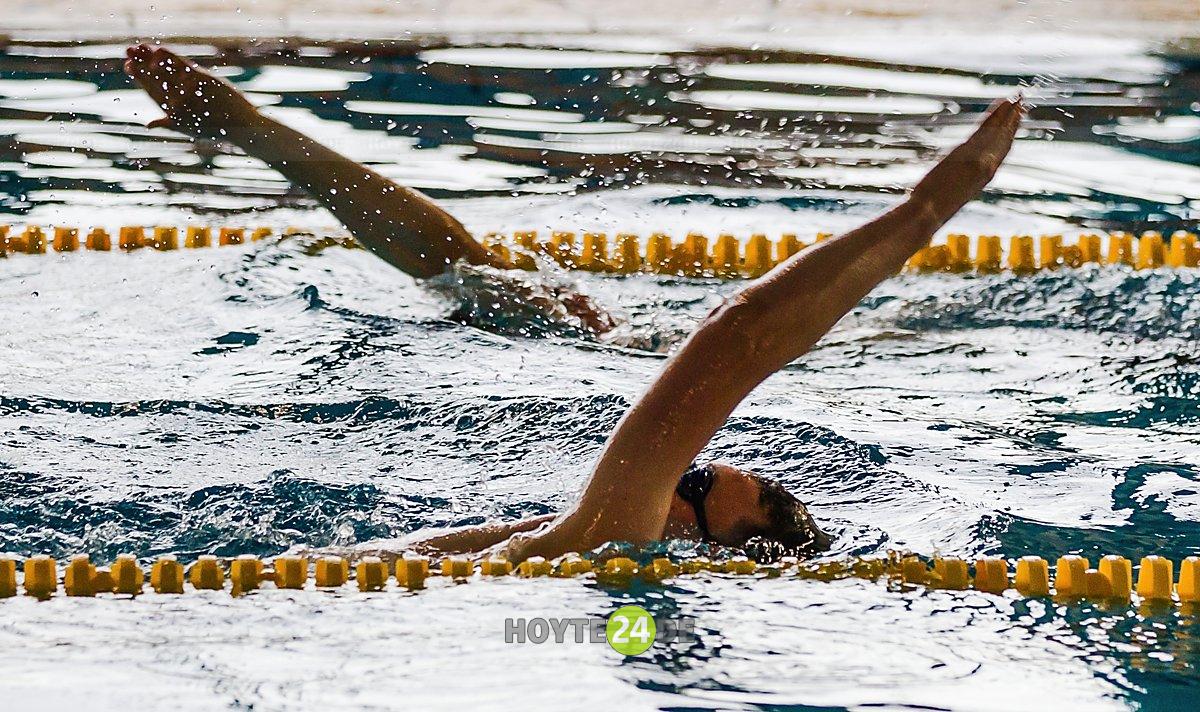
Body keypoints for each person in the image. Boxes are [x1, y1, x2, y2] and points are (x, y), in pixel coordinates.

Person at [124, 44, 1023, 563]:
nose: (679, 467)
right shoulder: (576, 569)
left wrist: (927, 212)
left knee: (486, 283)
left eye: (698, 481)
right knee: (486, 282)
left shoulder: (608, 537)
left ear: (714, 546)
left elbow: (737, 339)